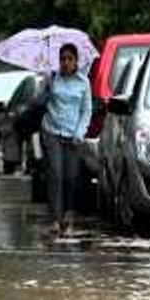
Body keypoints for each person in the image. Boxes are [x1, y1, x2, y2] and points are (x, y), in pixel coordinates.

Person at [38, 43, 92, 237]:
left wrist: (79, 133)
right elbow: (40, 101)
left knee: (70, 177)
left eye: (70, 59)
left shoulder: (83, 82)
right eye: (62, 59)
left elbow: (86, 111)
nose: (66, 63)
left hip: (73, 136)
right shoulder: (53, 78)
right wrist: (47, 85)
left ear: (76, 61)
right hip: (52, 131)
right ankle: (55, 219)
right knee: (55, 175)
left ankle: (68, 216)